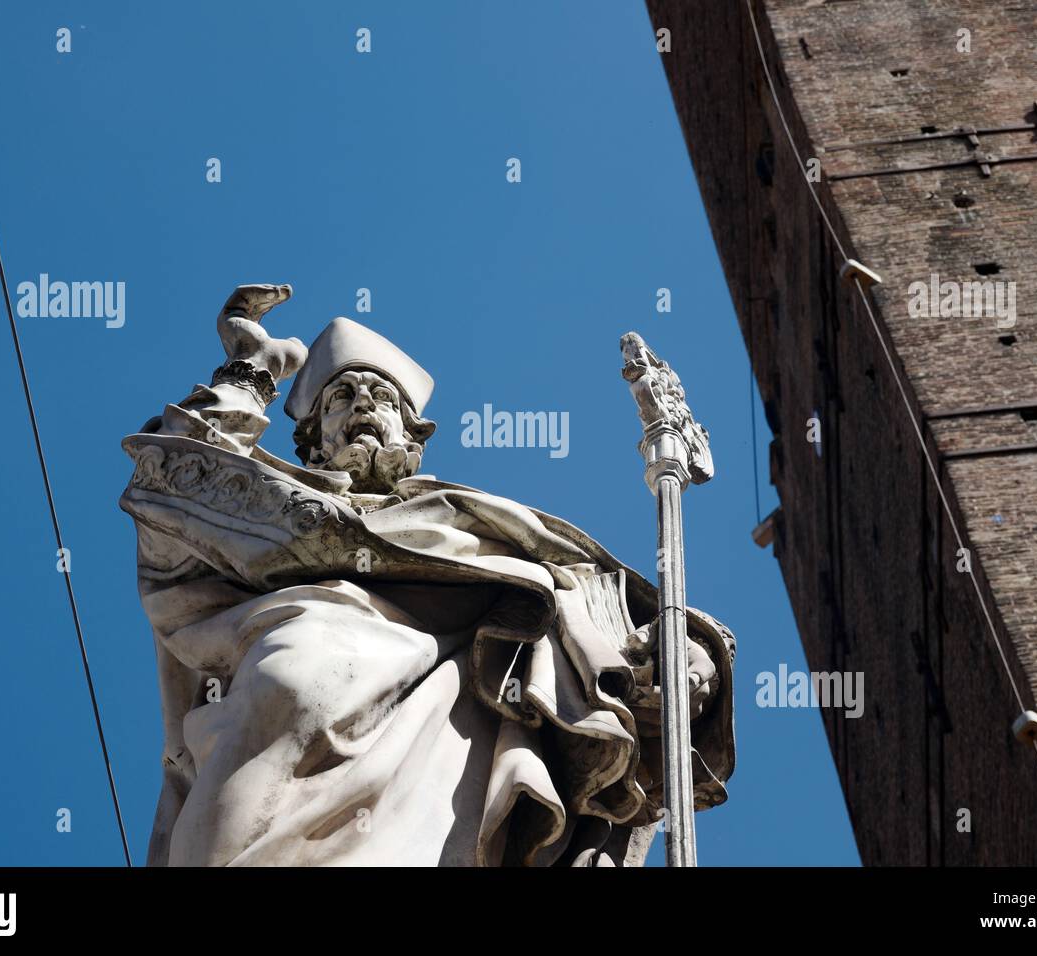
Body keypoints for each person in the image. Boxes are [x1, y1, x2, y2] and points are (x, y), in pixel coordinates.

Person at [121, 284, 735, 866]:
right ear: (311, 443)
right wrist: (249, 374)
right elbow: (168, 501)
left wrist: (688, 648)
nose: (363, 404)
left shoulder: (473, 524)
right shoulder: (263, 510)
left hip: (448, 723)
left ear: (413, 439)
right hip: (268, 713)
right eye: (341, 397)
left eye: (383, 398)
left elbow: (589, 597)